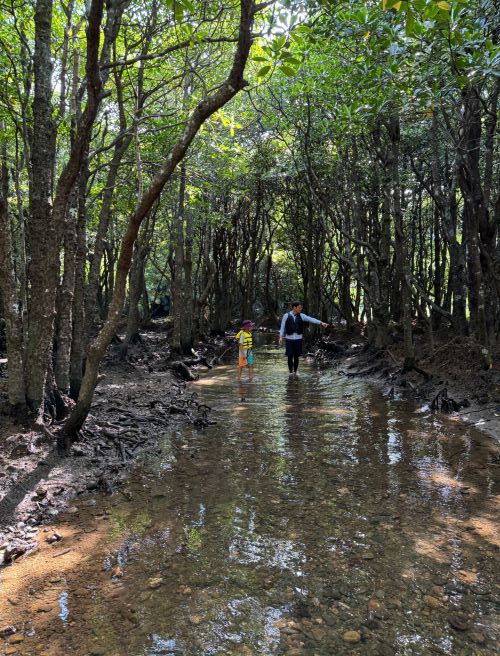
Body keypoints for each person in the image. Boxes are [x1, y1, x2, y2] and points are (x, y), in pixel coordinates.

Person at [279, 301, 329, 374]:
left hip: (298, 339)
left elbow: (311, 319)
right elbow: (282, 326)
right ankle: (290, 372)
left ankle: (295, 371)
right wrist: (280, 336)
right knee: (289, 356)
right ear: (294, 308)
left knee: (296, 356)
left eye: (301, 307)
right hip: (289, 339)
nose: (300, 309)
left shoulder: (302, 316)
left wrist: (321, 323)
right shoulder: (286, 315)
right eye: (299, 308)